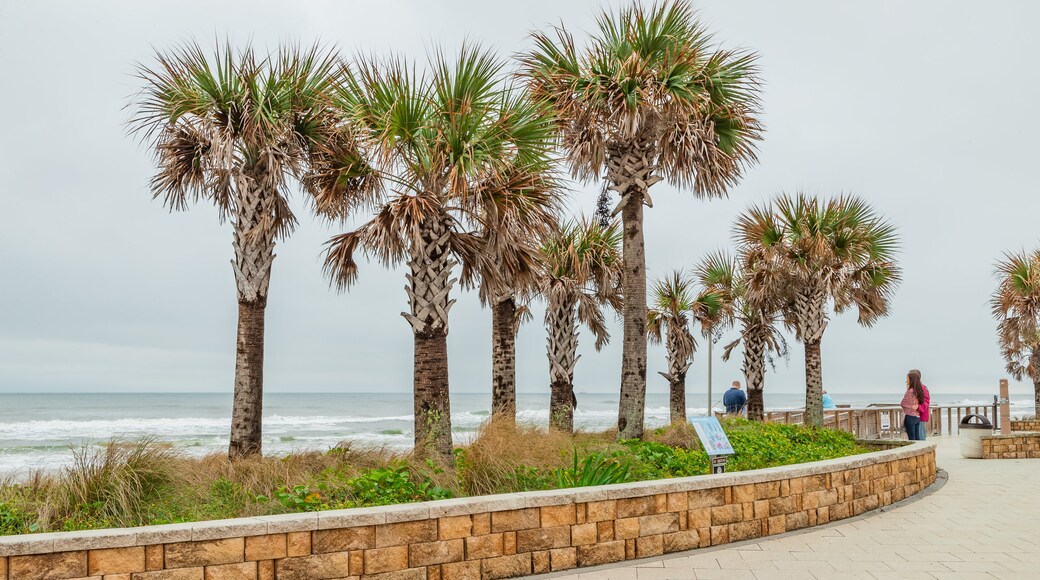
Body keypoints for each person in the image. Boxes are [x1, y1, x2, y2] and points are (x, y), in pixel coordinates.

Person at [901, 370, 926, 441]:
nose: (906, 380)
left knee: (912, 439)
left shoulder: (910, 391)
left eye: (907, 378)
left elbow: (903, 403)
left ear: (911, 380)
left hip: (910, 417)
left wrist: (908, 408)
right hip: (917, 417)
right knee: (917, 439)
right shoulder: (919, 390)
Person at [914, 370, 930, 440]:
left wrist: (918, 407)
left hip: (920, 417)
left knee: (920, 437)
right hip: (914, 416)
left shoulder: (922, 388)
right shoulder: (913, 388)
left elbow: (926, 403)